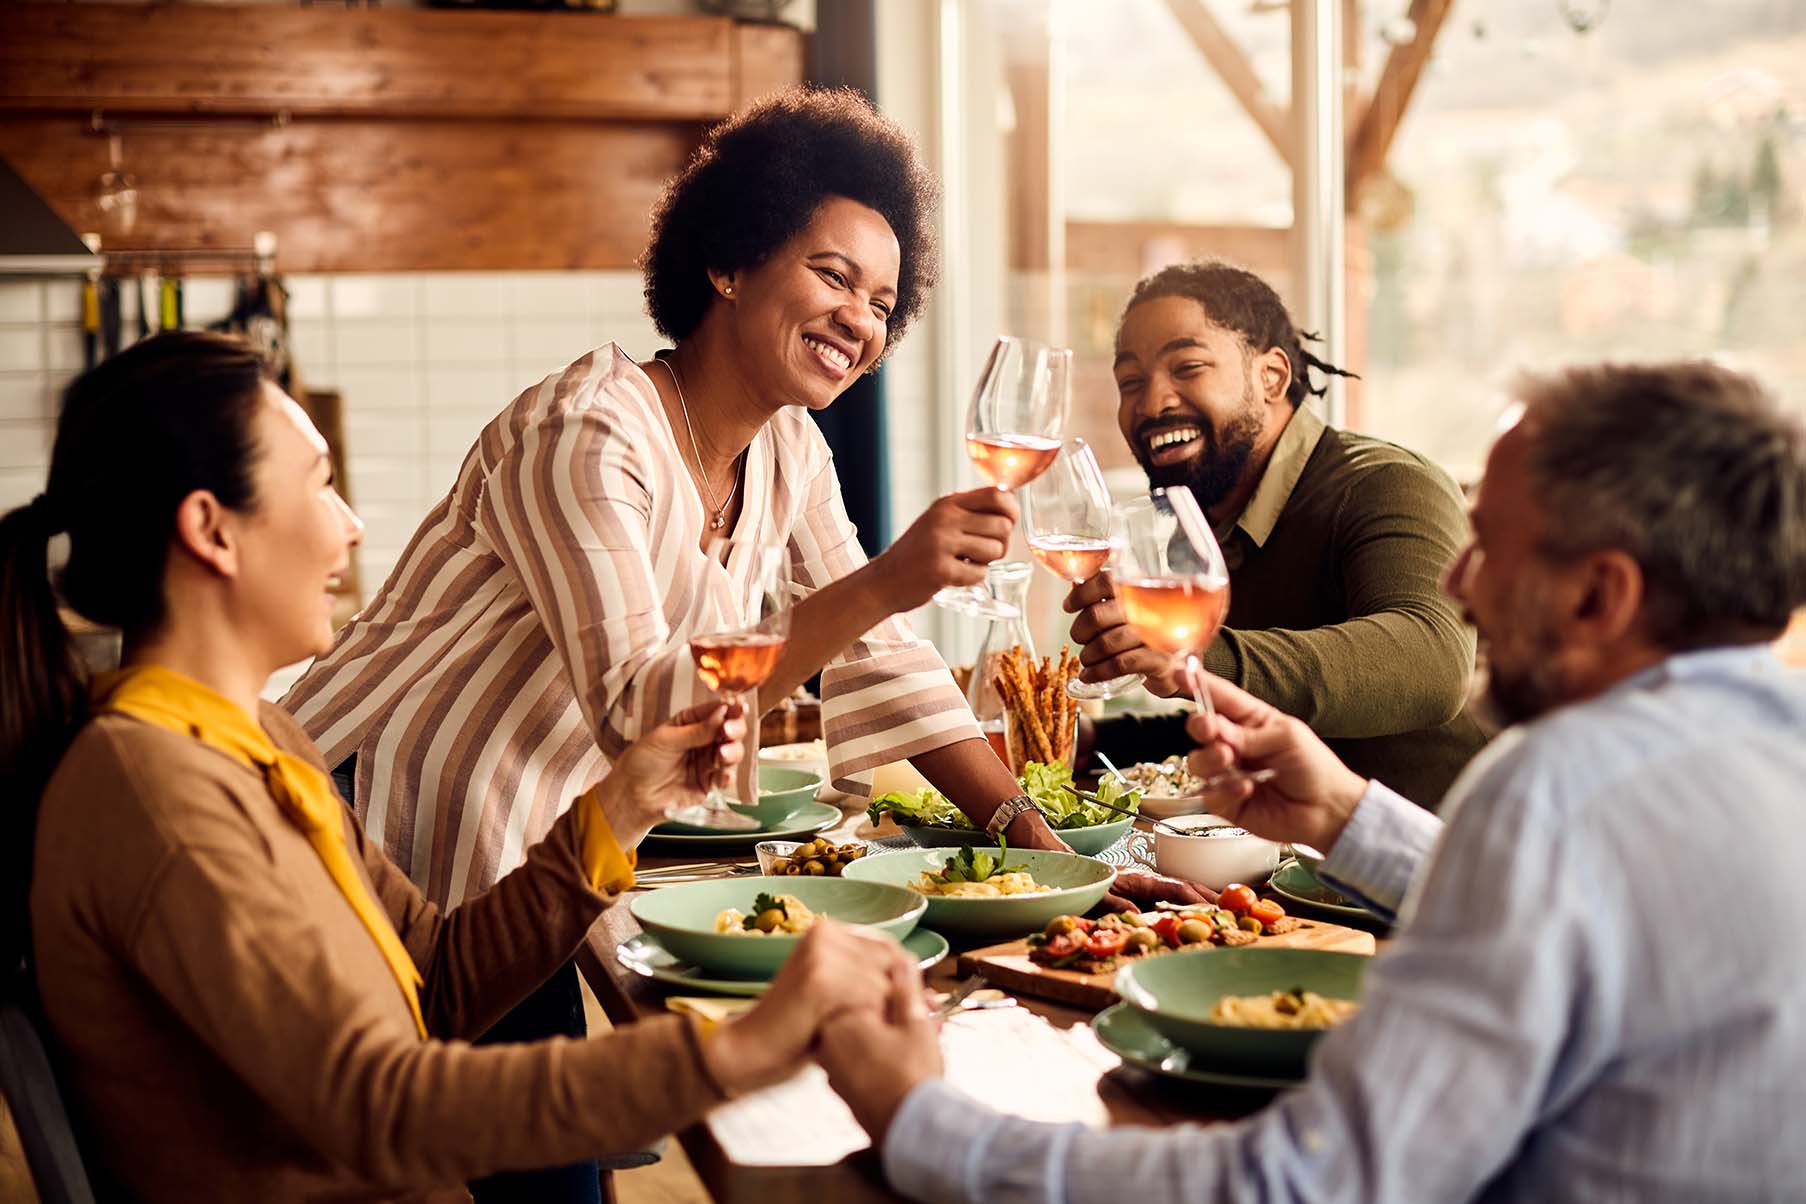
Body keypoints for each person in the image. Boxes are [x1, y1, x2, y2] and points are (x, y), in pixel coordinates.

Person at [819, 360, 1806, 1202]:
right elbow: (1592, 924)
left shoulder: (1553, 788)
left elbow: (1301, 1185)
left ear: (1601, 593)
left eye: (1491, 545)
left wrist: (925, 1122)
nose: (1459, 584)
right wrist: (1347, 814)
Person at [0, 332, 922, 1203]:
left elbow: (438, 985)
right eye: (321, 488)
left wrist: (625, 805)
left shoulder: (264, 742)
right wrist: (736, 1050)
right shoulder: (156, 796)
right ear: (213, 530)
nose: (352, 527)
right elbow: (383, 1107)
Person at [1068, 261, 1487, 807]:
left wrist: (1193, 658)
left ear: (1272, 376)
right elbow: (1275, 709)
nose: (1151, 403)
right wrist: (1102, 739)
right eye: (1131, 382)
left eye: (1187, 367)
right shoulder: (1210, 513)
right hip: (1300, 862)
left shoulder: (1387, 483)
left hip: (1435, 862)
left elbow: (1432, 663)